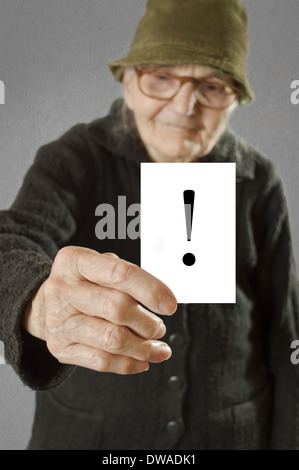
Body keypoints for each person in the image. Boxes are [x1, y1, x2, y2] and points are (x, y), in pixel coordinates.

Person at [0, 0, 299, 450]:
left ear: (234, 99)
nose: (184, 106)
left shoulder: (257, 182)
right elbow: (9, 242)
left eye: (213, 85)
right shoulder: (74, 159)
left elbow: (285, 337)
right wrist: (38, 302)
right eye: (162, 77)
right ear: (129, 82)